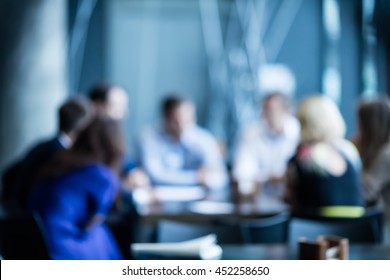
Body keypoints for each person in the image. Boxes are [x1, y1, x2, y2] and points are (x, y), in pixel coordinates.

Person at [28, 117, 124, 260]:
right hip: (60, 246)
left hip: (31, 240)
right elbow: (91, 223)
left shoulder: (59, 161)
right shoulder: (103, 175)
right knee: (102, 234)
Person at [1, 97, 92, 213]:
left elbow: (9, 173)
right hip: (35, 217)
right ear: (82, 126)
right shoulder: (60, 155)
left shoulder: (43, 145)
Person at [284, 95, 364, 218]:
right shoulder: (348, 150)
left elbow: (292, 200)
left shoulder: (301, 158)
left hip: (316, 230)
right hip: (358, 229)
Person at [140, 95, 228, 189]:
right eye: (177, 120)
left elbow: (221, 176)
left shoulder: (203, 138)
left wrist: (210, 179)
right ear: (166, 119)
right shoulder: (149, 137)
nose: (183, 126)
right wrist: (196, 177)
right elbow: (155, 176)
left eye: (189, 119)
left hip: (198, 197)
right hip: (160, 196)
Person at [233, 92, 300, 197]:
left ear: (287, 111)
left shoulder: (299, 133)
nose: (266, 115)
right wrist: (273, 178)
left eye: (271, 111)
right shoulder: (251, 132)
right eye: (264, 110)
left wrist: (263, 177)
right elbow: (242, 174)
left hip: (293, 197)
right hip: (259, 198)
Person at [353, 97, 390, 243]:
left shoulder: (387, 154)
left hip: (385, 231)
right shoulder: (376, 148)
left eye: (360, 122)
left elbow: (364, 192)